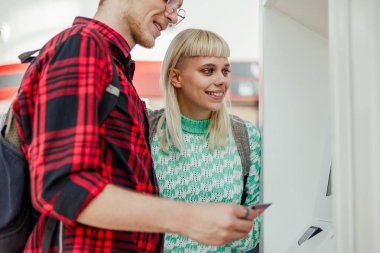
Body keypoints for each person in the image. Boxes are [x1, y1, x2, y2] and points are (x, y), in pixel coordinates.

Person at [12, 1, 259, 252]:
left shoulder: (116, 69)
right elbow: (63, 186)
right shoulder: (83, 45)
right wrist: (189, 218)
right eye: (169, 1)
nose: (173, 16)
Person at [149, 28, 261, 252]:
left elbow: (256, 221)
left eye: (225, 70)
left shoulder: (245, 135)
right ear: (176, 77)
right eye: (208, 70)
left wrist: (230, 234)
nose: (221, 80)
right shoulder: (146, 131)